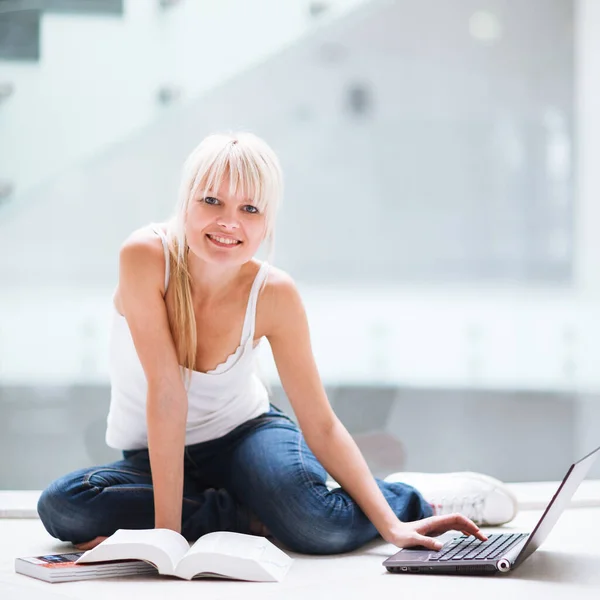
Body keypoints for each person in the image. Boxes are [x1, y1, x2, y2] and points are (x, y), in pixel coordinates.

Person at [37, 132, 518, 556]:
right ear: (185, 200)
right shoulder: (145, 257)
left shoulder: (273, 293)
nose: (230, 222)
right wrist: (167, 540)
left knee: (318, 528)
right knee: (65, 509)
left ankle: (405, 497)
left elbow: (320, 423)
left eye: (249, 209)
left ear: (267, 222)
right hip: (153, 452)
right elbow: (166, 392)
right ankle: (253, 514)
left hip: (247, 437)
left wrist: (390, 526)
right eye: (212, 201)